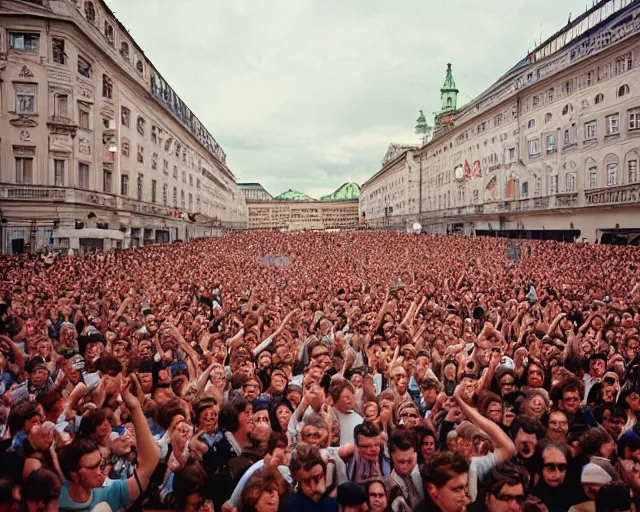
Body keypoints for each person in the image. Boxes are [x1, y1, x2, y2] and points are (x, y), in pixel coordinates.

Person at [286, 444, 337, 511]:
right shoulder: (291, 506)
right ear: (297, 479)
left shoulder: (335, 504)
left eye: (317, 479)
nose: (313, 488)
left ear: (325, 475)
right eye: (307, 481)